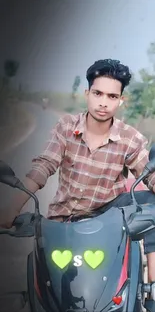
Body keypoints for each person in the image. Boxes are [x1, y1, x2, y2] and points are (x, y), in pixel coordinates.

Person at [1, 59, 155, 298]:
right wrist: (12, 207)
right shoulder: (65, 127)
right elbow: (44, 165)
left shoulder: (130, 138)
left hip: (109, 219)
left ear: (121, 100)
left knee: (151, 203)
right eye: (98, 93)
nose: (103, 102)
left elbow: (149, 173)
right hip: (63, 222)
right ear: (87, 93)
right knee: (56, 293)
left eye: (112, 96)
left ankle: (152, 288)